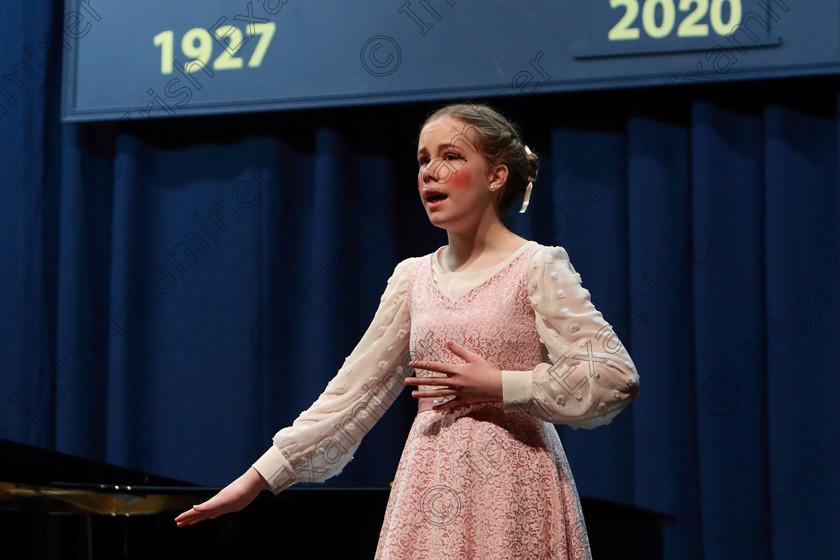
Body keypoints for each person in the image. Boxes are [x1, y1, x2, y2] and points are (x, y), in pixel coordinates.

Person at [175, 103, 640, 559]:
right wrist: (258, 478)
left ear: (497, 176)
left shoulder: (536, 266)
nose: (430, 172)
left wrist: (501, 385)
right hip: (430, 479)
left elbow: (615, 375)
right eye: (422, 159)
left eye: (451, 156)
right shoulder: (412, 278)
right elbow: (353, 393)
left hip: (513, 479)